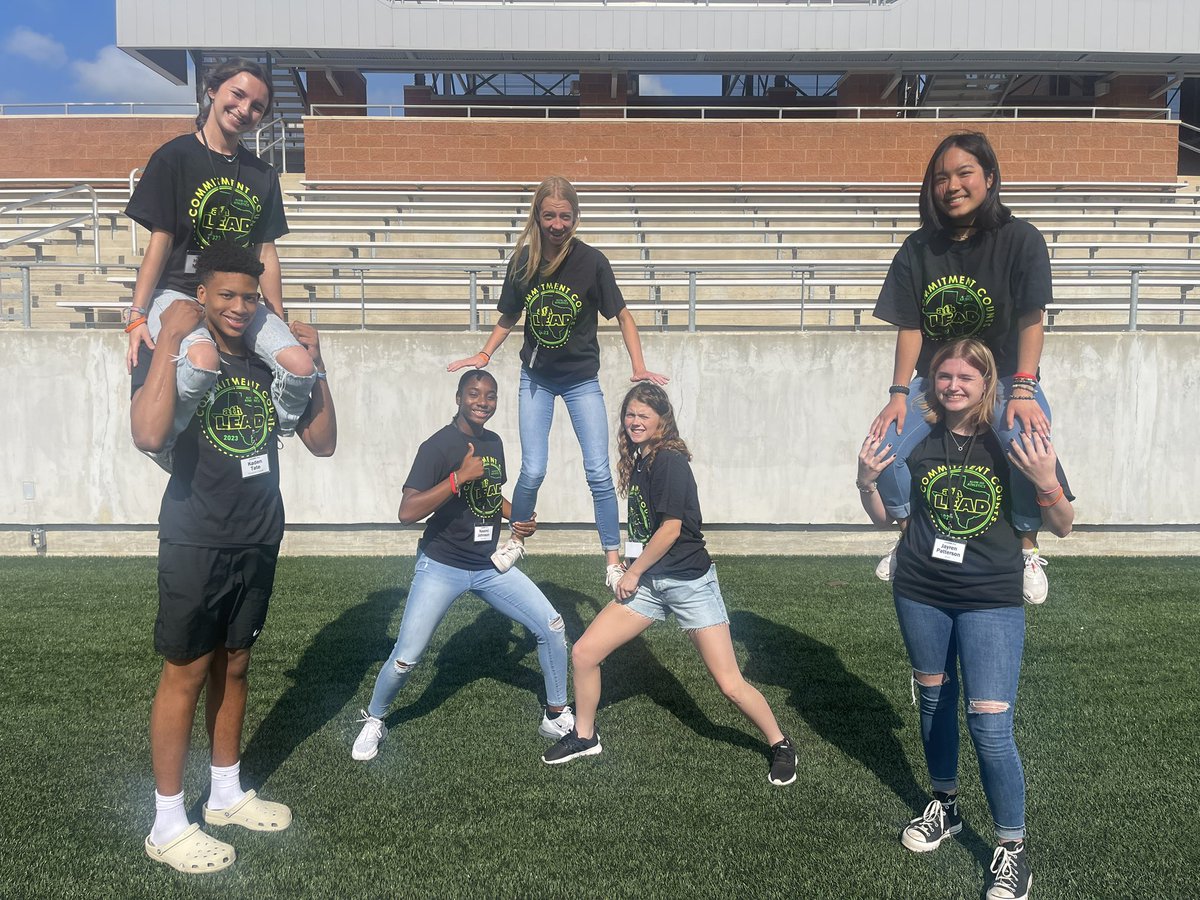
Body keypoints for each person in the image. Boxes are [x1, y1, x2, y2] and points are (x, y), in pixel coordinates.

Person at [132, 241, 337, 873]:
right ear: (202, 295)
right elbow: (147, 433)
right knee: (186, 671)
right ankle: (167, 822)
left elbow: (324, 443)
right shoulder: (178, 347)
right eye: (226, 294)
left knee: (238, 663)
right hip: (196, 533)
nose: (239, 307)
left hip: (257, 531)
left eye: (250, 296)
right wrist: (167, 338)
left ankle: (224, 791)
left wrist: (319, 362)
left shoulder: (270, 360)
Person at [857, 339, 1073, 900]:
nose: (953, 386)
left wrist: (1048, 478)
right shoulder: (920, 434)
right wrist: (865, 480)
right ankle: (946, 805)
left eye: (965, 378)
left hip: (991, 597)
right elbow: (886, 517)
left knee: (990, 724)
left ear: (987, 383)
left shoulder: (1014, 435)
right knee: (934, 699)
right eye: (943, 376)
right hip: (920, 588)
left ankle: (1011, 849)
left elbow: (1065, 524)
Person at [541, 383, 797, 787]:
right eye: (630, 414)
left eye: (644, 415)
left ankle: (781, 743)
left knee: (729, 684)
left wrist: (632, 572)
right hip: (651, 581)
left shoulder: (670, 461)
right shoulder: (642, 461)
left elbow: (672, 530)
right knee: (585, 653)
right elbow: (648, 527)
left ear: (663, 419)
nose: (635, 421)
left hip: (689, 584)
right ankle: (585, 736)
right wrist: (632, 562)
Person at [447, 175, 668, 591]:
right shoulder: (524, 262)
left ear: (576, 218)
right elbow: (509, 316)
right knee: (533, 469)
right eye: (549, 215)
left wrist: (638, 365)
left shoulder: (592, 262)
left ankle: (612, 560)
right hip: (537, 380)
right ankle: (516, 540)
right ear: (537, 216)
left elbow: (622, 314)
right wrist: (484, 354)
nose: (557, 224)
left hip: (582, 380)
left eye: (565, 216)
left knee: (598, 472)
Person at [869, 131, 1055, 604]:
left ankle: (1027, 546)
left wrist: (1025, 390)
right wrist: (896, 394)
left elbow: (1032, 318)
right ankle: (908, 531)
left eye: (964, 173)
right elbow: (910, 326)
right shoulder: (918, 248)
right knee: (883, 443)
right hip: (940, 381)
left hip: (1008, 378)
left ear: (989, 178)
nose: (951, 185)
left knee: (1027, 440)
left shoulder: (1021, 239)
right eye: (940, 178)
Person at [351, 369, 575, 762]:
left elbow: (490, 494)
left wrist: (517, 516)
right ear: (458, 397)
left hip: (489, 566)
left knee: (553, 627)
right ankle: (375, 718)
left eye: (490, 395)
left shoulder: (494, 442)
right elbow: (407, 511)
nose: (482, 401)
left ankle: (555, 713)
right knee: (406, 658)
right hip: (442, 565)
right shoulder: (437, 446)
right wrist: (458, 477)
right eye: (474, 393)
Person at [124, 58, 316, 465]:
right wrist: (137, 315)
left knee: (301, 366)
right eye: (238, 94)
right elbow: (160, 241)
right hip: (179, 290)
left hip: (238, 297)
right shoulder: (175, 157)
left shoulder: (262, 173)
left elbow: (265, 250)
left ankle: (269, 431)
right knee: (202, 360)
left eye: (258, 106)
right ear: (212, 91)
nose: (245, 110)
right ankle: (169, 446)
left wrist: (279, 315)